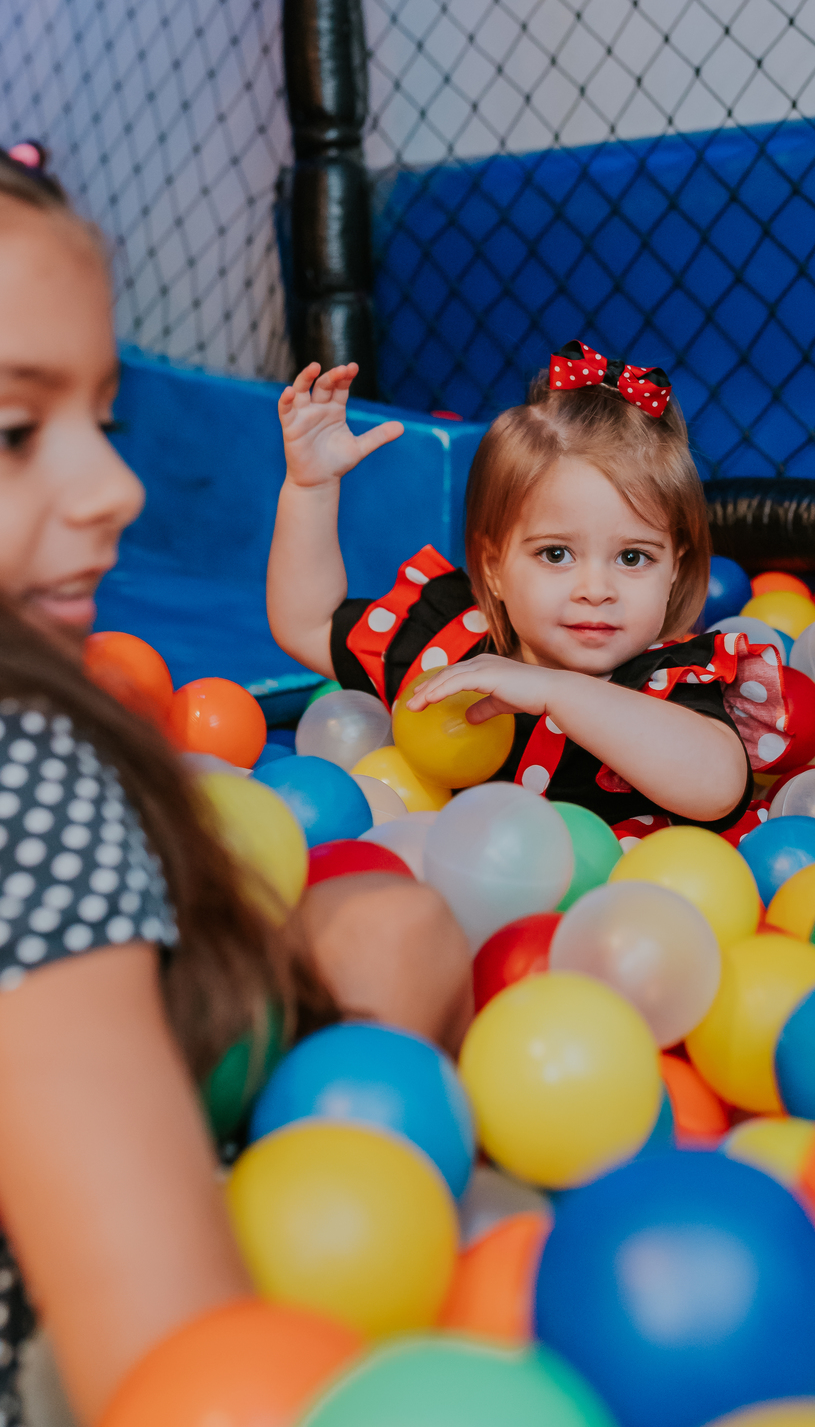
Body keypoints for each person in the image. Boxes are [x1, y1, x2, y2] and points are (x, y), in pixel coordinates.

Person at [0, 151, 471, 1426]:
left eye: (108, 418)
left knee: (388, 922)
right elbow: (320, 627)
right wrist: (310, 489)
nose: (117, 489)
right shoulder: (30, 776)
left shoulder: (697, 677)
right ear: (490, 560)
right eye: (15, 430)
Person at [266, 344, 785, 834]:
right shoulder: (449, 652)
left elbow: (717, 785)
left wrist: (556, 691)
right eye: (556, 554)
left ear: (675, 568)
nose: (596, 589)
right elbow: (307, 623)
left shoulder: (670, 683)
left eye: (633, 557)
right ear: (493, 567)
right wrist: (310, 489)